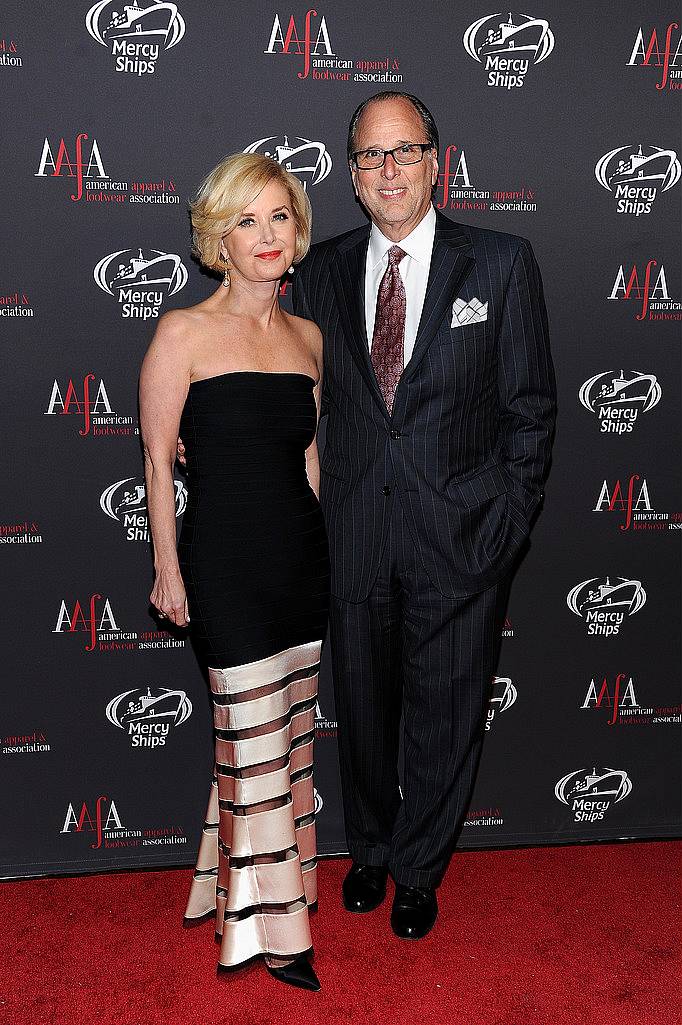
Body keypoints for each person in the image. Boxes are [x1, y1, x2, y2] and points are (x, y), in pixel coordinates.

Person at [290, 91, 556, 940]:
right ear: (354, 176)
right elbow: (296, 393)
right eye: (370, 157)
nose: (389, 170)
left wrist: (505, 522)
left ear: (438, 161)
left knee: (445, 714)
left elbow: (531, 408)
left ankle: (416, 867)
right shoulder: (323, 270)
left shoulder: (503, 262)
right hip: (357, 535)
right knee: (362, 709)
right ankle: (367, 847)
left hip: (463, 538)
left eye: (404, 151)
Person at [139, 153, 329, 991]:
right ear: (218, 234)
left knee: (279, 746)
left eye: (278, 217)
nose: (265, 235)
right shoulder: (181, 331)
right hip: (222, 565)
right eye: (246, 220)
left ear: (298, 231)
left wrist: (323, 554)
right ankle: (276, 934)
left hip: (299, 563)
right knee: (253, 742)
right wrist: (167, 571)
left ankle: (229, 887)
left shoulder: (308, 338)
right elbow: (155, 462)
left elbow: (310, 460)